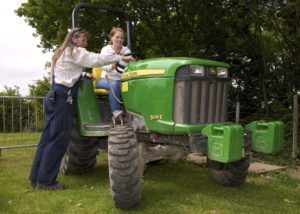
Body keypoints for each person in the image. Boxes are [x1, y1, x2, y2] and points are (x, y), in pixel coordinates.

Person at [29, 28, 134, 190]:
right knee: (58, 140)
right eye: (83, 41)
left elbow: (68, 73)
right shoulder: (75, 52)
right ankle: (45, 182)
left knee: (46, 139)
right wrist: (122, 57)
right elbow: (97, 59)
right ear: (74, 40)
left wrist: (84, 75)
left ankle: (36, 177)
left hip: (54, 96)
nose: (85, 44)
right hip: (63, 98)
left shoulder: (63, 52)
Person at [96, 27, 131, 118]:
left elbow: (129, 68)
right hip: (105, 79)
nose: (120, 40)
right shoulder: (105, 50)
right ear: (111, 38)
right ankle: (116, 112)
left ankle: (135, 113)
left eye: (122, 38)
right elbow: (104, 67)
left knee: (134, 85)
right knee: (114, 84)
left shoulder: (126, 51)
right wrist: (113, 64)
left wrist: (131, 62)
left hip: (122, 80)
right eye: (117, 37)